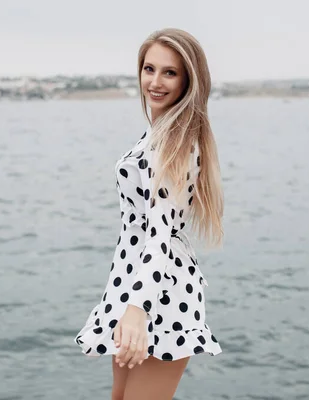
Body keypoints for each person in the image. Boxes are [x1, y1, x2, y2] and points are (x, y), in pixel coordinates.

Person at [74, 27, 224, 400]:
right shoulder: (156, 133)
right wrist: (125, 299)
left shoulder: (175, 142)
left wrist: (137, 309)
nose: (155, 82)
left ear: (189, 80)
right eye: (149, 69)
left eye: (170, 72)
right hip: (133, 282)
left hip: (159, 291)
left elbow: (159, 233)